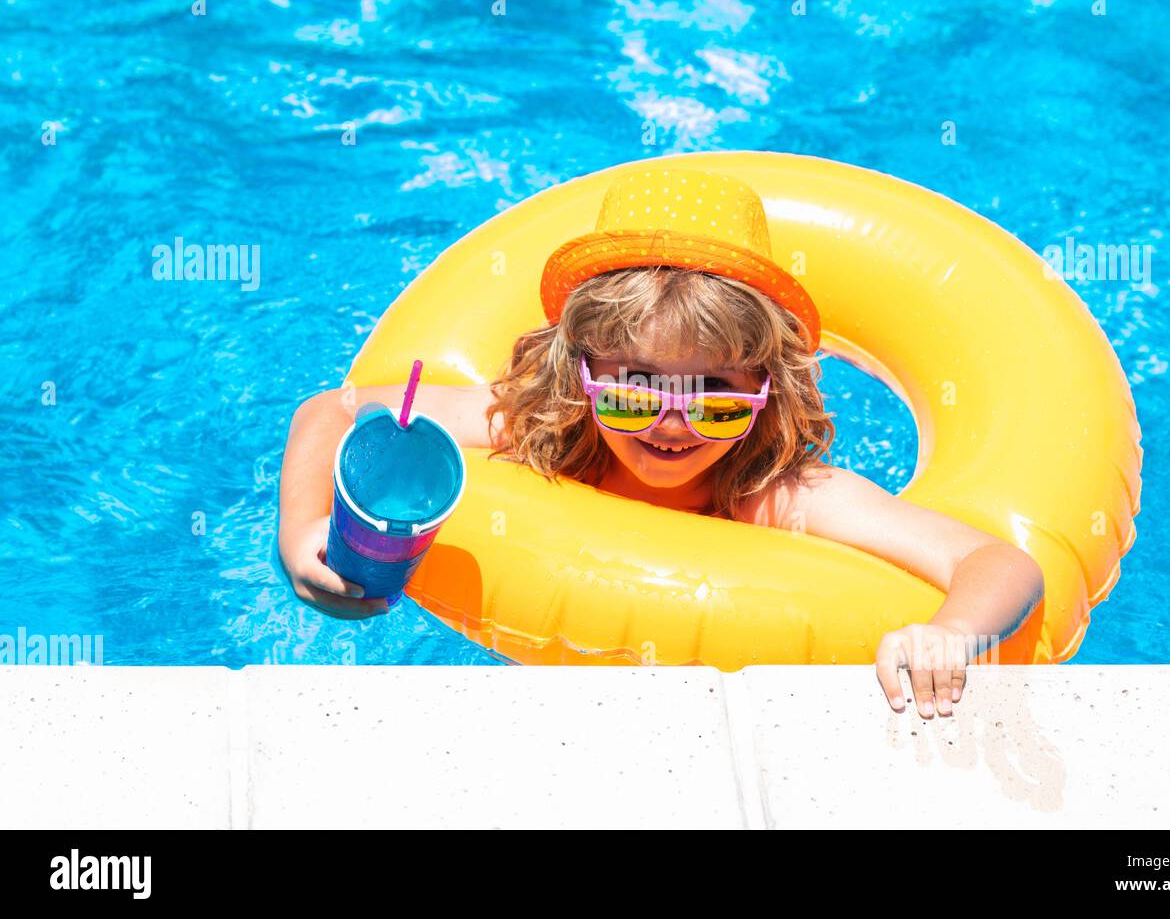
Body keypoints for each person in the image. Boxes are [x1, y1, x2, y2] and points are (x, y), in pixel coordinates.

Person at [277, 168, 1044, 717]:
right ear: (580, 371)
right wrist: (302, 535)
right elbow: (334, 412)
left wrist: (949, 633)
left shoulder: (771, 493)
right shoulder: (537, 425)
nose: (671, 424)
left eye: (715, 399)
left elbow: (997, 562)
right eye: (635, 387)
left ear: (765, 394)